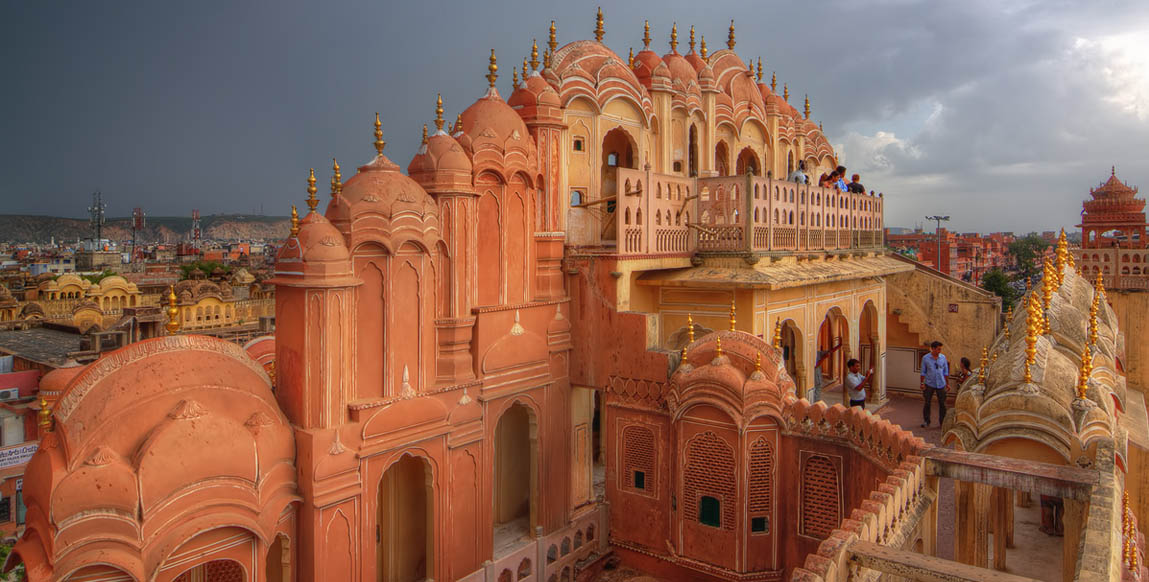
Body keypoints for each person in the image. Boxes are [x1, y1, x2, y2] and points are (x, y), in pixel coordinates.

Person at [920, 341, 949, 427]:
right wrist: (922, 383)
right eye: (938, 349)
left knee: (942, 404)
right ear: (933, 349)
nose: (939, 351)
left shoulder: (943, 358)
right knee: (927, 403)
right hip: (929, 383)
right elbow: (923, 372)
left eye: (940, 349)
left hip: (941, 383)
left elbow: (946, 371)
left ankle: (942, 422)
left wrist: (947, 384)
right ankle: (926, 421)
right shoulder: (925, 358)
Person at [811, 338, 843, 403]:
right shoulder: (809, 355)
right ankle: (815, 402)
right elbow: (815, 365)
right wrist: (824, 358)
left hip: (817, 375)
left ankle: (817, 401)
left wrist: (839, 345)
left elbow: (830, 351)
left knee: (818, 388)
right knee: (814, 388)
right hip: (813, 375)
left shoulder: (818, 353)